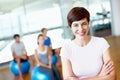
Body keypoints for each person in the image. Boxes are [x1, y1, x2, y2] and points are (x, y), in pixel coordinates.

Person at [60, 7, 116, 80]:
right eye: (76, 25)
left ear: (88, 24)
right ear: (70, 27)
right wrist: (99, 77)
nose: (80, 29)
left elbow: (112, 77)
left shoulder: (101, 43)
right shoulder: (66, 49)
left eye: (84, 24)